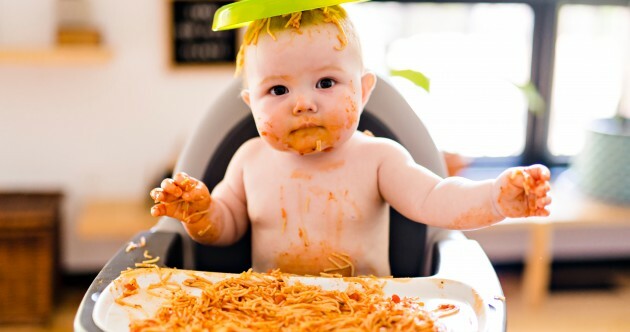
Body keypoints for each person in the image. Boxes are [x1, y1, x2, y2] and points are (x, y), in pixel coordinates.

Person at [150, 5, 551, 277]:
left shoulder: (377, 159)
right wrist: (201, 213)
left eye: (326, 83)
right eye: (277, 91)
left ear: (362, 91)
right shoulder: (249, 161)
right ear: (250, 103)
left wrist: (495, 199)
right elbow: (227, 226)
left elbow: (437, 199)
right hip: (269, 311)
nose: (303, 104)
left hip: (368, 312)